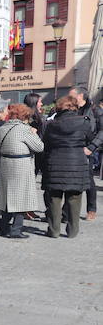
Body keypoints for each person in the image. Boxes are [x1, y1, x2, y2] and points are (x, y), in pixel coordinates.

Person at [42, 95, 95, 238]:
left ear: (58, 108)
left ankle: (54, 230)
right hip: (76, 163)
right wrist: (90, 148)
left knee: (54, 198)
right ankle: (72, 231)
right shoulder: (84, 122)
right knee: (74, 198)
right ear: (75, 107)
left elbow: (45, 144)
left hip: (55, 163)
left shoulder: (50, 124)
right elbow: (91, 138)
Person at [0, 103, 44, 239]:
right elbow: (39, 147)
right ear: (25, 116)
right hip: (21, 165)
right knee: (21, 197)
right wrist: (35, 134)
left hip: (5, 164)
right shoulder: (24, 130)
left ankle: (3, 228)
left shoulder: (1, 129)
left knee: (6, 197)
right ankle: (16, 229)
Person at [68, 87, 103, 220]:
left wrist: (92, 147)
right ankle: (68, 212)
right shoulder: (71, 109)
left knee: (88, 179)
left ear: (81, 95)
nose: (69, 98)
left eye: (71, 95)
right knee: (71, 179)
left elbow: (101, 131)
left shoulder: (95, 110)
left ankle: (91, 209)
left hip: (88, 149)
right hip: (72, 148)